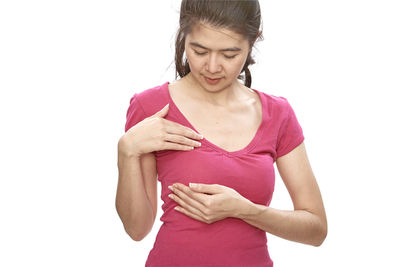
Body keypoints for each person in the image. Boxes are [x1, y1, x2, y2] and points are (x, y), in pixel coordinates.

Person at [116, 0, 328, 266]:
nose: (213, 67)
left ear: (253, 41)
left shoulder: (278, 114)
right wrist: (126, 151)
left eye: (229, 55)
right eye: (199, 51)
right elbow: (137, 230)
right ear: (184, 36)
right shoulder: (151, 106)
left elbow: (316, 229)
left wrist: (244, 210)